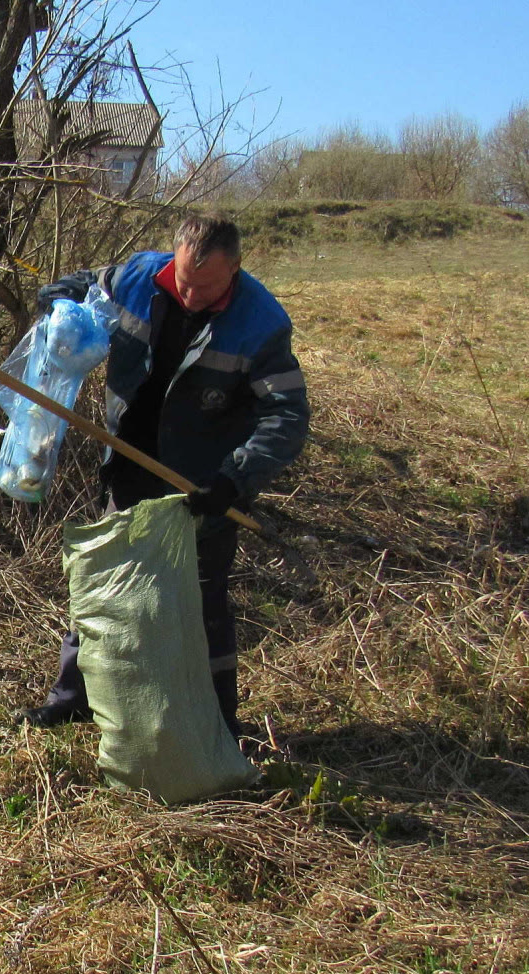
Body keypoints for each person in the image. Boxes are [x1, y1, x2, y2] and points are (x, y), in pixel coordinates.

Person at [18, 212, 310, 739]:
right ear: (171, 257)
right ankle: (73, 699)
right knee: (101, 583)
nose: (193, 296)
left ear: (237, 269)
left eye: (209, 286)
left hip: (204, 485)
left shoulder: (262, 324)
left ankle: (221, 724)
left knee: (202, 605)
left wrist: (233, 479)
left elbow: (286, 415)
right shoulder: (135, 276)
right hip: (129, 460)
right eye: (184, 281)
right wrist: (59, 300)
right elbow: (84, 287)